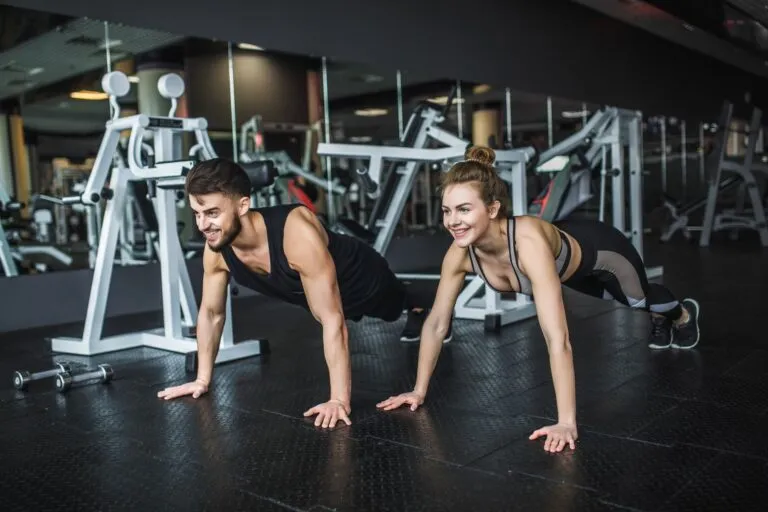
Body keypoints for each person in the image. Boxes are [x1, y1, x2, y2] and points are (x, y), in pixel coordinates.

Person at [376, 145, 701, 453]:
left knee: (636, 301)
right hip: (564, 267)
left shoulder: (527, 244)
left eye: (464, 209)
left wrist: (566, 422)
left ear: (492, 209)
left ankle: (682, 315)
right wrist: (418, 390)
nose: (453, 221)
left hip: (601, 254)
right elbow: (436, 323)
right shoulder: (459, 255)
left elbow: (557, 337)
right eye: (447, 211)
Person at [156, 158, 451, 428]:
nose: (203, 225)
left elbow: (333, 320)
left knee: (390, 307)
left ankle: (422, 302)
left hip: (361, 276)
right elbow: (211, 313)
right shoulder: (217, 249)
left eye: (212, 213)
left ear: (243, 205)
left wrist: (338, 400)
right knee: (343, 309)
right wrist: (202, 379)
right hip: (316, 292)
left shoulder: (295, 233)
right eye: (196, 214)